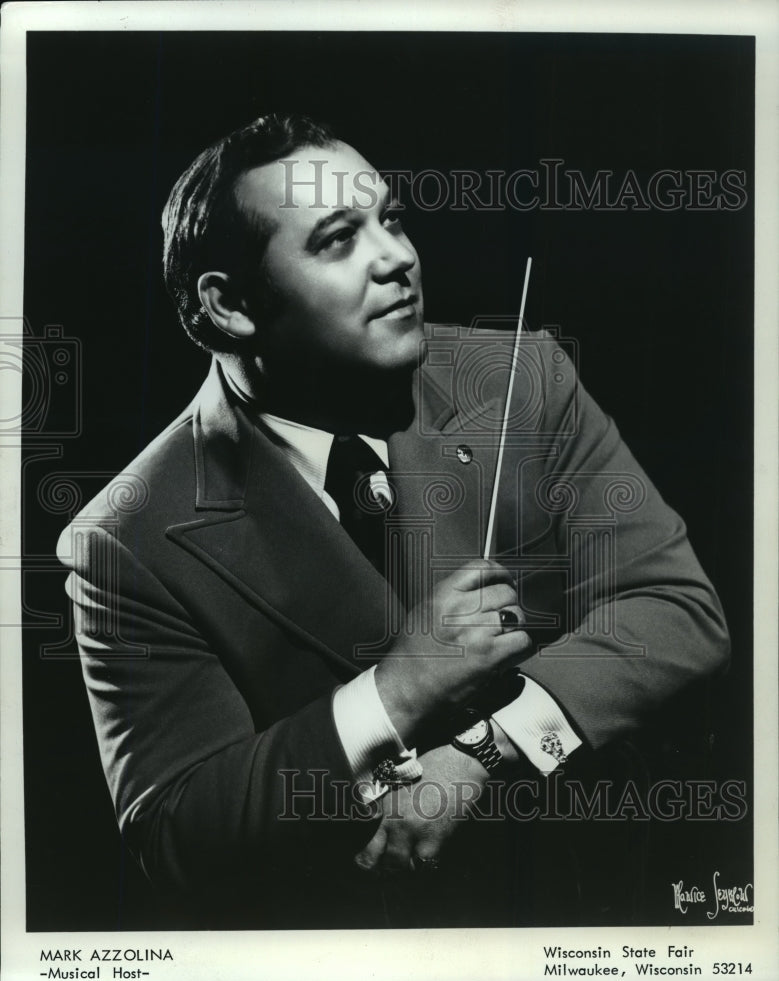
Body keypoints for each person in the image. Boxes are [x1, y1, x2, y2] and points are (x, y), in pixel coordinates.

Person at [57, 113, 729, 929]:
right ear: (228, 306)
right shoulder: (126, 538)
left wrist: (486, 752)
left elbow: (676, 610)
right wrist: (395, 690)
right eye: (339, 239)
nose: (398, 258)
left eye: (394, 220)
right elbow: (178, 831)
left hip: (581, 908)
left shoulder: (520, 379)